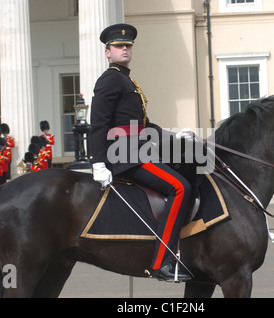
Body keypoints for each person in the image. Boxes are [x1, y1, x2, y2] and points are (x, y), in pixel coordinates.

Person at [89, 23, 194, 282]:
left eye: (127, 46)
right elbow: (99, 124)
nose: (124, 49)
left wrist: (174, 136)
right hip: (125, 155)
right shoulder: (110, 79)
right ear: (107, 52)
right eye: (118, 46)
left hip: (138, 149)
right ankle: (162, 262)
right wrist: (97, 162)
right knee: (180, 188)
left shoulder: (126, 80)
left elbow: (143, 126)